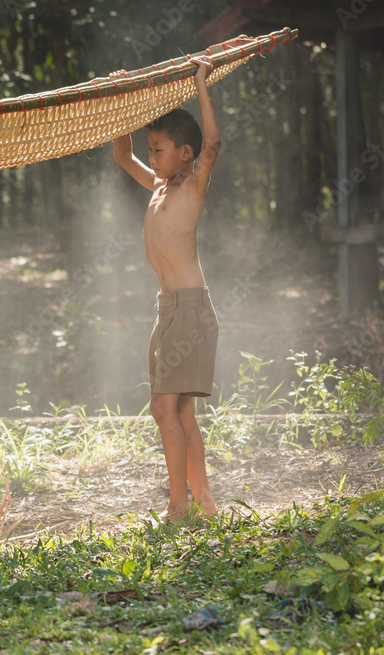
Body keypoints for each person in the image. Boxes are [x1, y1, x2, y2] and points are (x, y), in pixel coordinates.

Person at [113, 57, 220, 521]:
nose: (151, 157)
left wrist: (200, 85)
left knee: (162, 408)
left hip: (192, 309)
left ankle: (179, 506)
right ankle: (206, 505)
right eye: (151, 150)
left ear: (185, 154)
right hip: (168, 309)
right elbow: (122, 155)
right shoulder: (157, 187)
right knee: (181, 414)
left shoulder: (192, 188)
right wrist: (122, 105)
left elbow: (214, 141)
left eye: (158, 150)